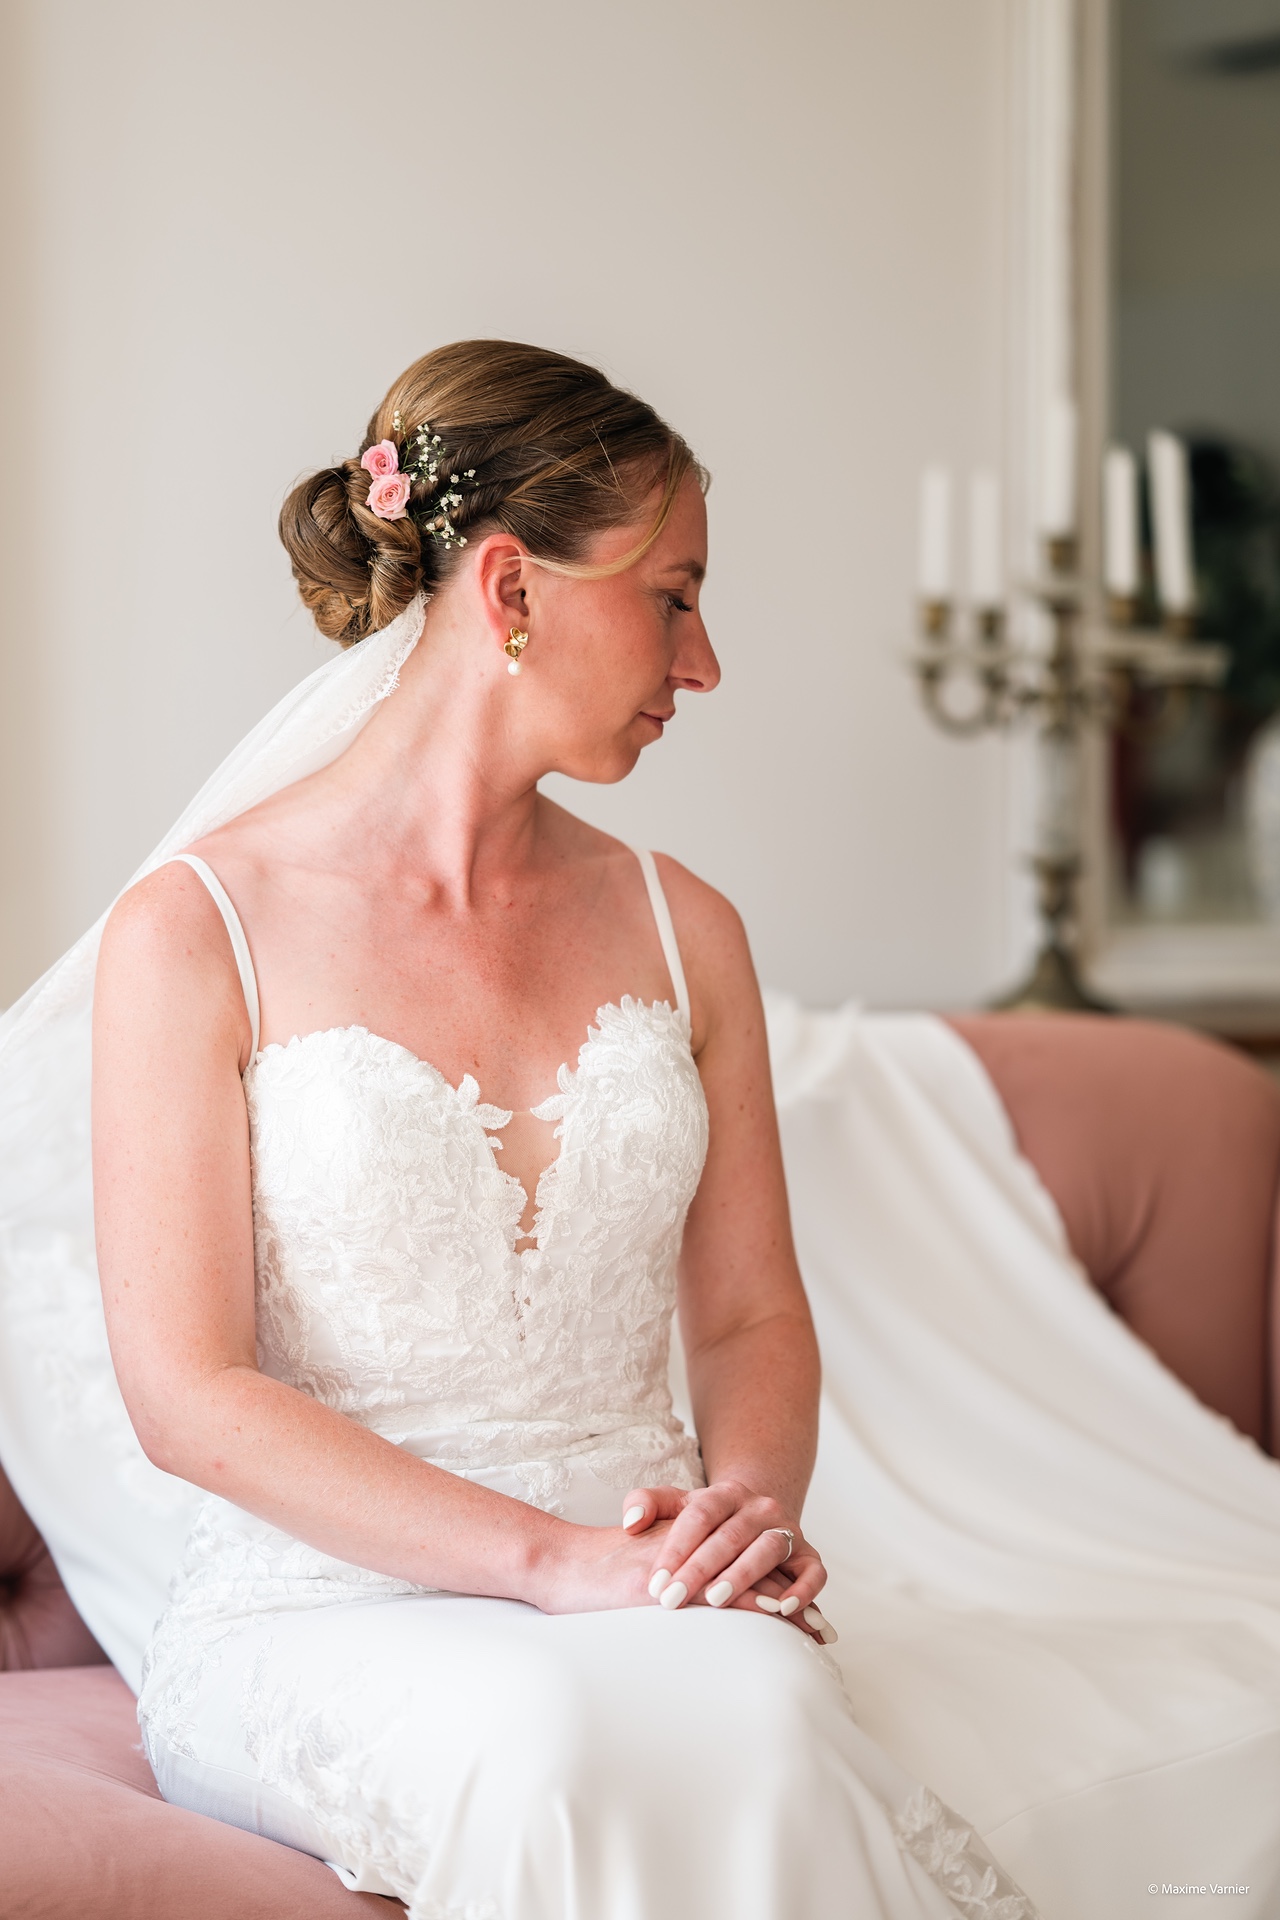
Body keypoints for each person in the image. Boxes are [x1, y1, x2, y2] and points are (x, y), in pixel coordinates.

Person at [91, 340, 1034, 1919]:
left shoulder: (685, 927)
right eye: (675, 596)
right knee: (548, 1745)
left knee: (769, 1723)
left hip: (647, 1573)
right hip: (324, 1604)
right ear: (513, 586)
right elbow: (189, 1397)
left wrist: (745, 1518)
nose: (705, 662)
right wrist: (554, 1564)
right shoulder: (199, 933)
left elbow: (748, 1316)